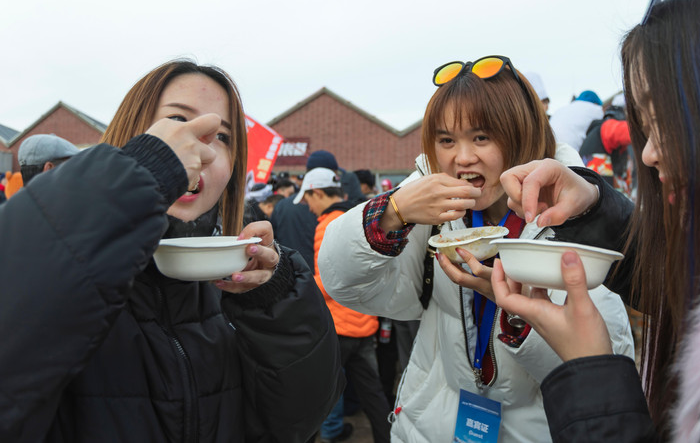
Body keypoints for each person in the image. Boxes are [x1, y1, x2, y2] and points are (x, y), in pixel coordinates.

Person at [492, 0, 700, 442]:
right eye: (645, 126)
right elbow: (679, 288)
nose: (650, 153)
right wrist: (591, 205)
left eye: (665, 119)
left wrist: (591, 372)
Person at [0, 59, 344, 442]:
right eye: (178, 121)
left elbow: (296, 421)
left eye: (223, 137)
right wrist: (138, 177)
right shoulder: (65, 273)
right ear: (132, 136)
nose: (204, 151)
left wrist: (275, 302)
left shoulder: (241, 284)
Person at [318, 55, 633, 442]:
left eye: (481, 137)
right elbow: (342, 282)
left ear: (522, 135)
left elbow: (606, 367)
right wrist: (390, 212)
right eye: (446, 140)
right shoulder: (429, 206)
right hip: (433, 423)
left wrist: (519, 311)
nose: (462, 157)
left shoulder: (576, 212)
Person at [296, 167, 391, 443]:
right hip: (364, 323)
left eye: (307, 199)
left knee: (321, 394)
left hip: (338, 327)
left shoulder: (328, 224)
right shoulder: (359, 217)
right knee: (372, 394)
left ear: (317, 193)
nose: (308, 207)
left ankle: (322, 436)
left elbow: (331, 280)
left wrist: (300, 288)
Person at [578, 92, 634, 196]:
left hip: (590, 177)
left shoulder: (599, 129)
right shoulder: (609, 126)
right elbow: (626, 131)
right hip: (597, 170)